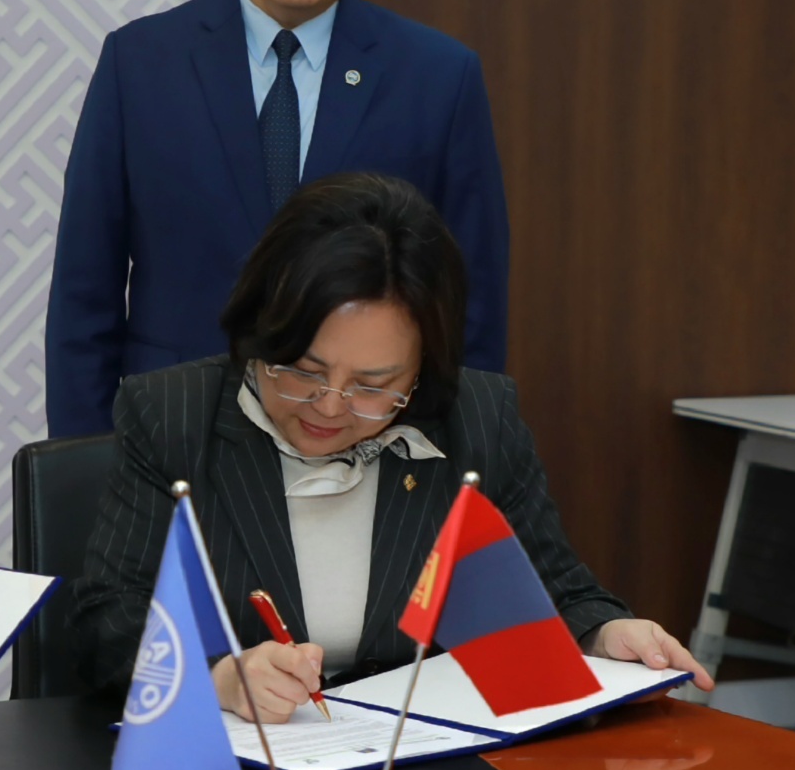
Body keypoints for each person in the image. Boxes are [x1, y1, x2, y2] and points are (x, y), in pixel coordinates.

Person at [70, 173, 709, 718]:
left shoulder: (476, 422)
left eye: (373, 386)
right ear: (259, 334)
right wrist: (220, 679)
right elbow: (108, 620)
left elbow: (558, 593)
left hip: (419, 768)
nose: (329, 406)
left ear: (423, 371)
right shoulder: (173, 415)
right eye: (302, 371)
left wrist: (605, 632)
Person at [46, 0, 509, 438]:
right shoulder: (141, 62)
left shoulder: (438, 77)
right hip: (176, 432)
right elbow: (85, 292)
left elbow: (471, 303)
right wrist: (86, 460)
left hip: (364, 437)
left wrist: (459, 460)